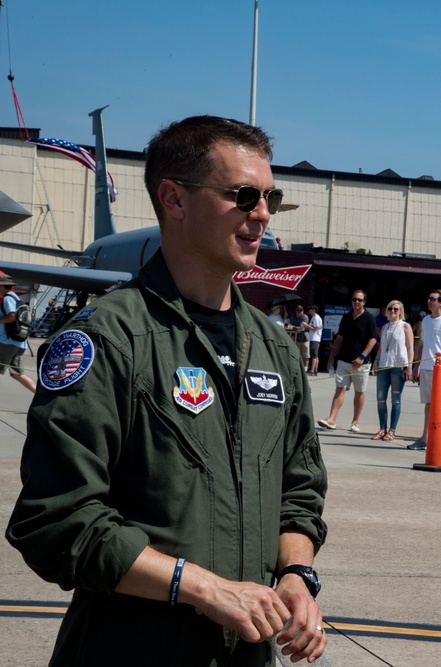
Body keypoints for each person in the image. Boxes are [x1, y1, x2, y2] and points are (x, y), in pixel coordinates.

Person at [4, 115, 328, 665]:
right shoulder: (108, 339)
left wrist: (296, 573)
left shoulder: (274, 349)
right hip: (130, 648)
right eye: (243, 194)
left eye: (270, 196)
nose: (263, 214)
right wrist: (202, 587)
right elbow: (55, 520)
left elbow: (298, 492)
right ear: (174, 200)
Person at [318, 290, 377, 432]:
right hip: (344, 360)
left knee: (359, 392)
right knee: (340, 389)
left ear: (364, 302)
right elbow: (339, 338)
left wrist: (362, 356)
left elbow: (373, 339)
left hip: (361, 363)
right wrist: (331, 358)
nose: (356, 302)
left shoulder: (369, 318)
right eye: (354, 299)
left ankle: (355, 421)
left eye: (359, 300)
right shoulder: (346, 317)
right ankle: (331, 419)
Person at [408, 289, 441, 451]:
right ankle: (425, 437)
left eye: (433, 299)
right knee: (428, 403)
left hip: (439, 369)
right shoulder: (426, 321)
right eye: (428, 298)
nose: (429, 301)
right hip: (426, 367)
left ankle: (435, 436)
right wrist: (417, 366)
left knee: (440, 403)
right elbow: (421, 344)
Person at [372, 299, 413, 442]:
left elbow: (410, 348)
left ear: (400, 311)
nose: (393, 311)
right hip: (384, 364)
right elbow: (381, 347)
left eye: (396, 309)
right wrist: (376, 362)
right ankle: (382, 428)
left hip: (398, 365)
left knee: (395, 399)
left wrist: (409, 366)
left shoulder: (405, 326)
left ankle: (392, 430)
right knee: (380, 398)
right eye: (390, 309)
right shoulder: (384, 327)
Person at [0, 275, 36, 394]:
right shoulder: (17, 299)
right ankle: (38, 394)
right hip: (20, 342)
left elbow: (11, 317)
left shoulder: (8, 299)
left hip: (7, 342)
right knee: (17, 374)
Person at [289, 304, 310, 370]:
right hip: (296, 338)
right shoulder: (293, 317)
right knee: (297, 354)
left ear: (303, 311)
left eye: (300, 311)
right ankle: (297, 368)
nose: (299, 312)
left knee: (305, 355)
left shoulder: (305, 317)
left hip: (304, 339)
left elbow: (303, 328)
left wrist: (294, 327)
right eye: (298, 310)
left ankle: (305, 369)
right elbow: (290, 326)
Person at [306, 305, 323, 375]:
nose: (309, 310)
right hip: (314, 338)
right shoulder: (313, 318)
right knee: (316, 355)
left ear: (313, 310)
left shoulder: (316, 318)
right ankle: (315, 370)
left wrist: (306, 325)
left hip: (315, 338)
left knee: (314, 355)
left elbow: (315, 329)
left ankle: (312, 370)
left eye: (310, 309)